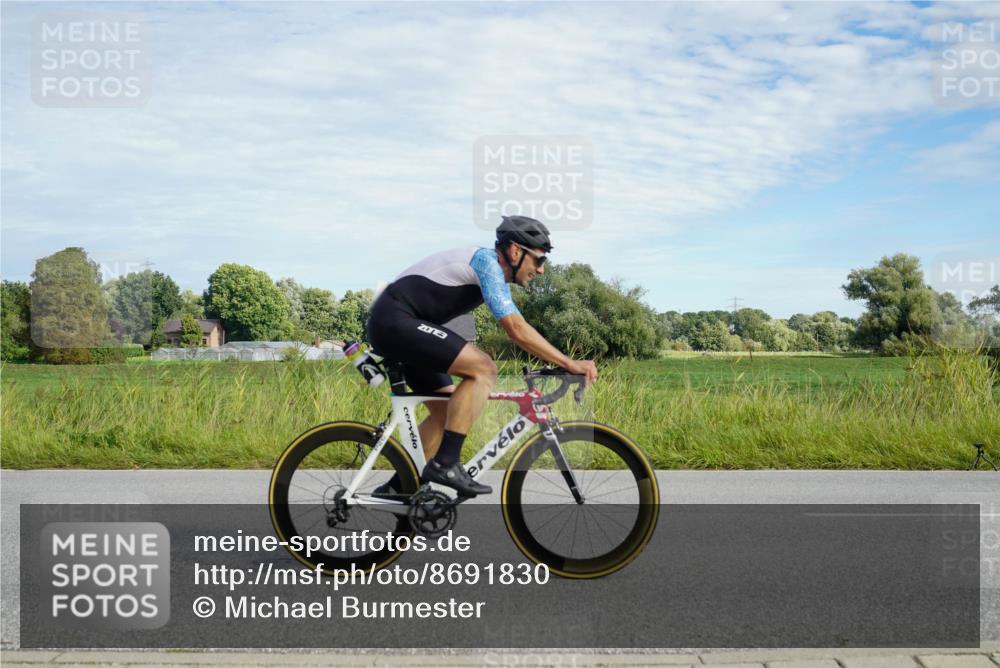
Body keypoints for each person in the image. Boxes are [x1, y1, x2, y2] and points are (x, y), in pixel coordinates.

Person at [366, 215, 598, 497]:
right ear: (515, 251)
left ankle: (397, 488)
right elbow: (516, 328)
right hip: (394, 321)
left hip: (403, 325)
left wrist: (562, 362)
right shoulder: (487, 263)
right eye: (539, 260)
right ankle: (446, 464)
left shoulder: (489, 268)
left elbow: (517, 326)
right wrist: (568, 362)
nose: (541, 271)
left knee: (447, 413)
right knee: (484, 369)